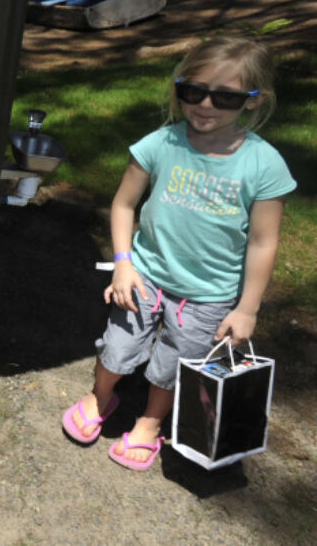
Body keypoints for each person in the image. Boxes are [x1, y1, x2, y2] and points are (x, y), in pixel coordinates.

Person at [62, 35, 294, 471]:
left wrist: (248, 309)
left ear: (252, 101)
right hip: (144, 274)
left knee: (175, 363)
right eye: (193, 91)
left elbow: (264, 242)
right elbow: (123, 204)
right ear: (179, 89)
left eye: (225, 96)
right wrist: (123, 264)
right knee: (117, 345)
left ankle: (150, 422)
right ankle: (101, 396)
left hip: (208, 295)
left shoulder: (264, 165)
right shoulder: (161, 144)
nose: (205, 104)